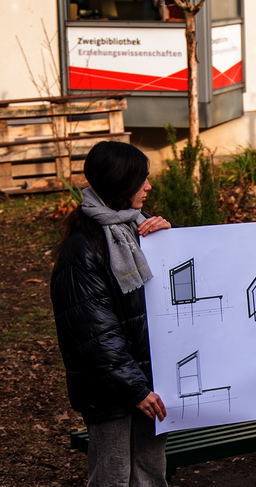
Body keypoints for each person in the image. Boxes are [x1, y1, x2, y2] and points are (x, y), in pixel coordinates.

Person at [51, 141, 173, 487]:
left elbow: (172, 291)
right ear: (120, 184)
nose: (148, 187)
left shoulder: (142, 228)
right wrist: (136, 390)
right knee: (113, 477)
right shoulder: (83, 249)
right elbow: (93, 335)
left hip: (151, 380)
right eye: (141, 180)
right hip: (111, 390)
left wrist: (168, 238)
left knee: (150, 474)